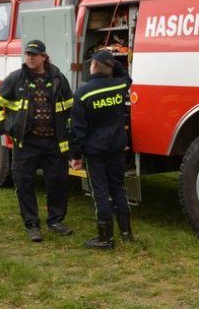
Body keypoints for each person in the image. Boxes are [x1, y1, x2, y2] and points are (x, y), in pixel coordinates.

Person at [0, 39, 74, 242]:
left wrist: (69, 134)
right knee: (24, 183)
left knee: (58, 182)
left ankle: (55, 221)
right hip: (26, 143)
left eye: (34, 54)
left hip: (54, 143)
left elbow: (70, 107)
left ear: (44, 57)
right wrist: (7, 130)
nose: (30, 57)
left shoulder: (58, 78)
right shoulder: (16, 78)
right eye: (27, 54)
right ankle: (32, 224)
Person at [69, 50, 133, 250]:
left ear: (94, 66)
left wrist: (75, 156)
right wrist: (114, 63)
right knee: (119, 189)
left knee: (100, 193)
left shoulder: (83, 92)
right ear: (110, 68)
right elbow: (127, 77)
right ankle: (126, 233)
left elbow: (77, 129)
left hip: (95, 151)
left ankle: (105, 239)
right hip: (116, 148)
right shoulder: (119, 85)